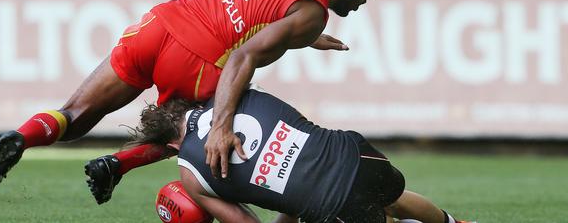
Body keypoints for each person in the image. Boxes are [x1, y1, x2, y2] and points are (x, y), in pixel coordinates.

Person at [0, 0, 382, 206]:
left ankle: (20, 138)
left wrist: (302, 34)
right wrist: (220, 125)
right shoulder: (311, 13)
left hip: (161, 23)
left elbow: (251, 4)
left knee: (75, 115)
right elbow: (243, 55)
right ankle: (118, 165)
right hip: (200, 59)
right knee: (188, 138)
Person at [143, 88, 474, 223]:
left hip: (333, 206)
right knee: (393, 198)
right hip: (356, 152)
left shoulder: (189, 172)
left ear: (171, 147)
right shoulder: (235, 92)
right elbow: (296, 156)